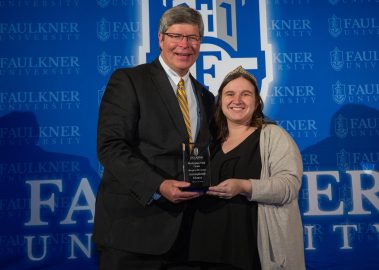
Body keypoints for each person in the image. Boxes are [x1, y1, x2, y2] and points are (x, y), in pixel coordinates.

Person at [93, 5, 215, 270]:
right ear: (160, 39)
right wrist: (158, 185)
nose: (184, 45)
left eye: (193, 38)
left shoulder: (206, 97)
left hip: (188, 237)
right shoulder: (129, 81)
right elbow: (111, 147)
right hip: (133, 232)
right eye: (176, 36)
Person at [189, 66, 305, 270]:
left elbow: (288, 187)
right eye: (230, 94)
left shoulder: (273, 136)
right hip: (204, 251)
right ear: (220, 101)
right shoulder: (208, 142)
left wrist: (244, 186)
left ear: (257, 102)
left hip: (250, 253)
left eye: (246, 94)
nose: (237, 100)